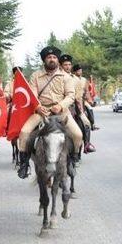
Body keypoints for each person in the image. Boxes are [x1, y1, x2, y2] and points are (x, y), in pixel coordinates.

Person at [16, 46, 84, 179]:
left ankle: (73, 160)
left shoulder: (66, 77)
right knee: (24, 132)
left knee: (78, 134)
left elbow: (70, 96)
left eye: (54, 57)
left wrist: (60, 106)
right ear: (44, 60)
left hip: (61, 112)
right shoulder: (35, 76)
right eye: (49, 57)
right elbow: (32, 95)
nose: (51, 59)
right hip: (42, 112)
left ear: (57, 60)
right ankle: (24, 164)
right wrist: (38, 107)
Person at [60, 55, 95, 154]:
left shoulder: (76, 79)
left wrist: (81, 110)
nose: (67, 67)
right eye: (65, 65)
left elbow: (79, 97)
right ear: (61, 65)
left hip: (74, 107)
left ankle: (87, 144)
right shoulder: (57, 77)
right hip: (59, 107)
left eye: (69, 65)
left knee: (86, 123)